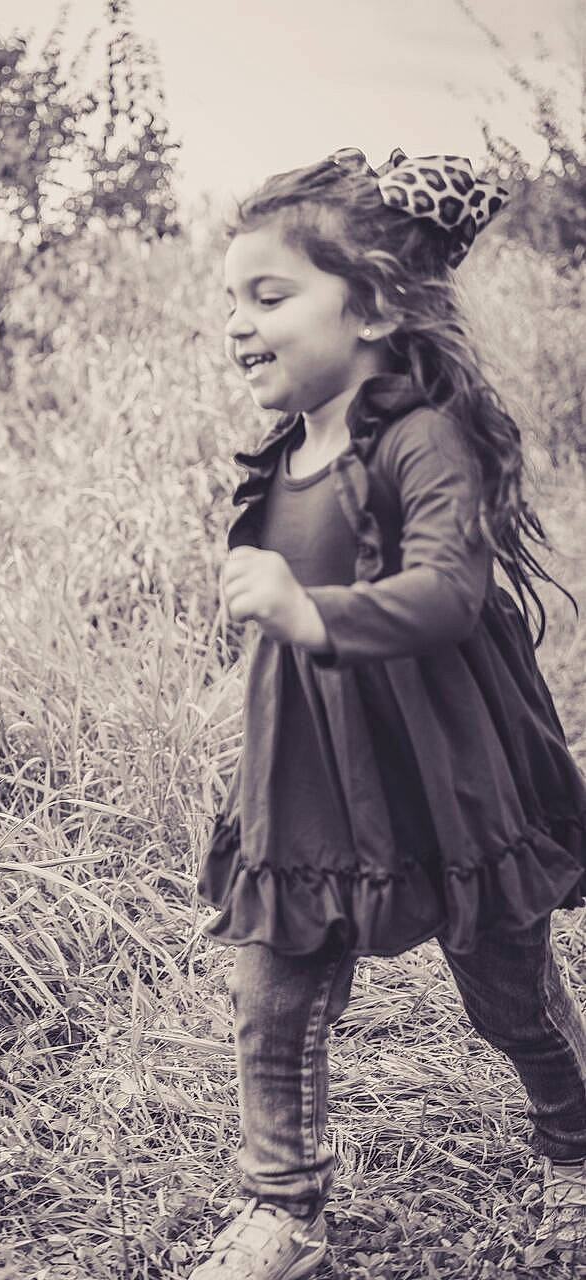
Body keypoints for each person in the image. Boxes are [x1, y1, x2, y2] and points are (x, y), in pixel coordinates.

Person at [191, 148, 586, 1278]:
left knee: (509, 992)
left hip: (439, 766)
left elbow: (449, 590)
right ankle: (284, 1207)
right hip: (307, 773)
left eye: (268, 296)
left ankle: (573, 1141)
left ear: (370, 302)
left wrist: (305, 611)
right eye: (231, 300)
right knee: (270, 989)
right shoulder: (281, 449)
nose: (238, 323)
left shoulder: (423, 436)